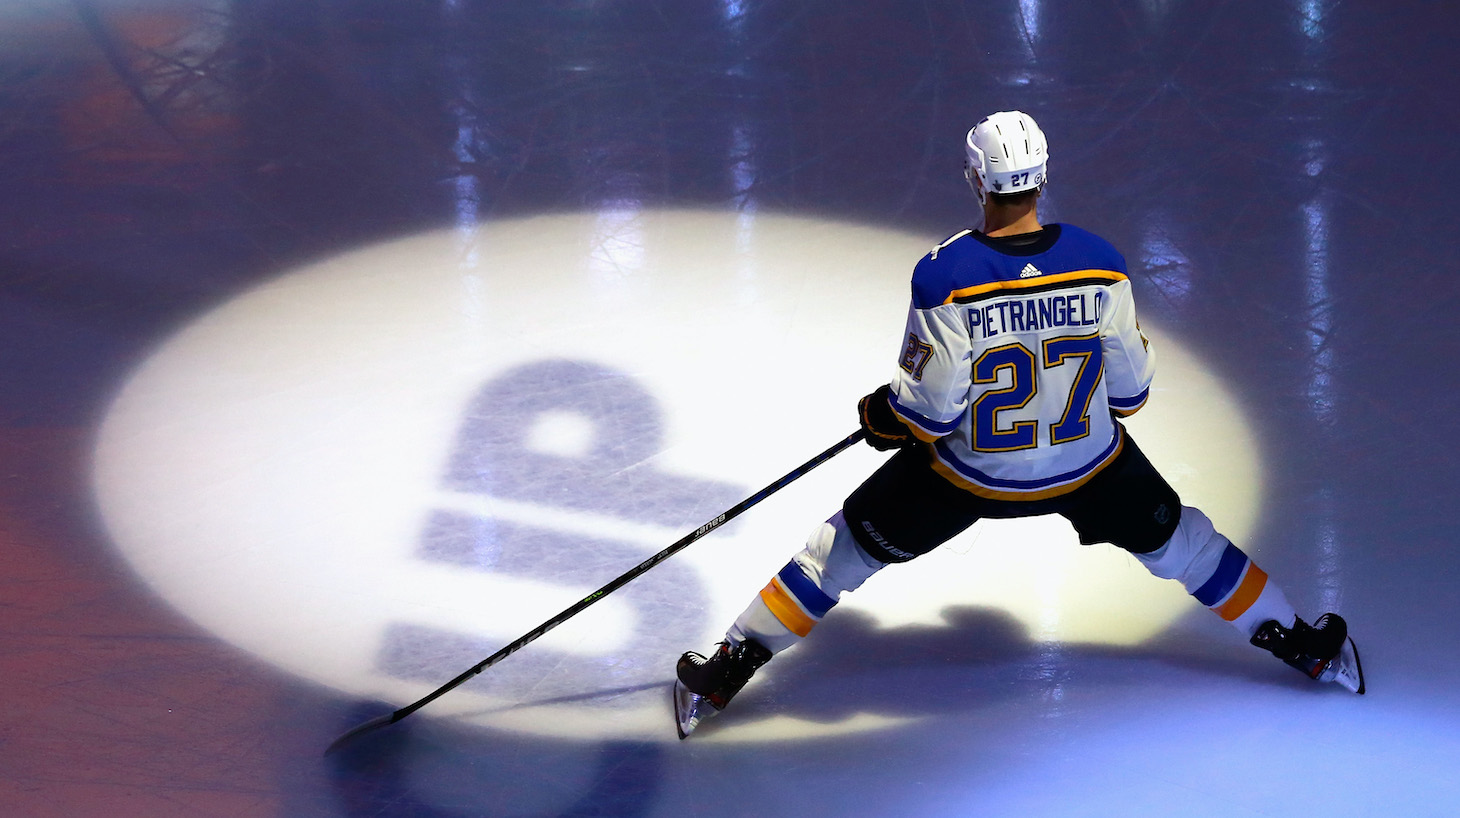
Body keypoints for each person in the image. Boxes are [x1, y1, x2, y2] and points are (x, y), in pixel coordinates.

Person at [671, 110, 1364, 739]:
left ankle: (734, 661)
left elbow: (929, 409)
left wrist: (881, 416)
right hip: (1088, 466)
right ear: (1041, 174)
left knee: (840, 551)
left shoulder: (947, 274)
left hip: (971, 476)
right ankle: (1299, 642)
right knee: (1187, 543)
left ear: (976, 178)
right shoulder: (1101, 261)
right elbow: (1130, 393)